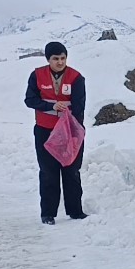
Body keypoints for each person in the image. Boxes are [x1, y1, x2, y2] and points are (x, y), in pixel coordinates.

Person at [24, 41, 87, 225]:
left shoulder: (76, 78)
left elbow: (79, 106)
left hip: (69, 132)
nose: (60, 62)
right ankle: (48, 213)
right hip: (45, 131)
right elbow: (30, 100)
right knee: (48, 172)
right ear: (48, 60)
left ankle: (75, 211)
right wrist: (50, 106)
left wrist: (75, 131)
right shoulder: (37, 76)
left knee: (72, 171)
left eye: (63, 58)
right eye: (56, 59)